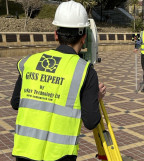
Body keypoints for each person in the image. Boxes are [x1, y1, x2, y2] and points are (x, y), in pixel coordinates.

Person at [10, 1, 106, 161]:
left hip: (24, 151)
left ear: (56, 34)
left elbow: (15, 103)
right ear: (84, 37)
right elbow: (91, 121)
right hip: (60, 155)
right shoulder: (85, 71)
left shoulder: (30, 62)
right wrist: (95, 98)